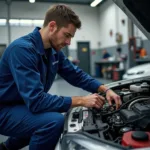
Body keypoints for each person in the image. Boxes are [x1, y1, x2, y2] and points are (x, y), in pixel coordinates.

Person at [0, 4, 121, 150]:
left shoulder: (53, 51)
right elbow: (36, 101)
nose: (69, 42)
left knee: (47, 115)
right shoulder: (22, 50)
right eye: (67, 35)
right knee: (53, 121)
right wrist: (82, 100)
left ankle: (6, 148)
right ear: (52, 26)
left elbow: (76, 75)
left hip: (22, 105)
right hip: (4, 110)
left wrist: (105, 89)